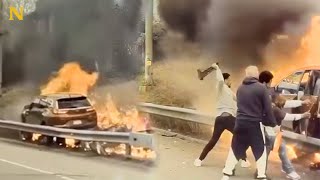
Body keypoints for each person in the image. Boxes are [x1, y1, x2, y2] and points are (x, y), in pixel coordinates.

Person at [221, 66, 277, 180]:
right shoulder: (261, 88)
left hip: (240, 123)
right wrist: (273, 124)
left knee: (235, 147)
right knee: (260, 149)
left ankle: (227, 171)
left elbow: (239, 105)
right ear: (256, 74)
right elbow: (268, 109)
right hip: (254, 124)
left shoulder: (240, 88)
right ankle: (261, 175)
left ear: (246, 75)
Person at [194, 63, 250, 168]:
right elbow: (220, 80)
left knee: (216, 140)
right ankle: (243, 160)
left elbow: (239, 101)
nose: (231, 81)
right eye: (229, 79)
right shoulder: (220, 87)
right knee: (240, 137)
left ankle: (199, 160)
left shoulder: (229, 91)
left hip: (224, 119)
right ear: (225, 80)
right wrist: (217, 68)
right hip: (225, 118)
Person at [269, 94, 310, 180]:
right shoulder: (275, 109)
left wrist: (302, 102)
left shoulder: (271, 105)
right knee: (280, 150)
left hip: (270, 132)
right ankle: (289, 170)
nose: (284, 104)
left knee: (267, 152)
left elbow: (288, 103)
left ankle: (260, 172)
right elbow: (288, 117)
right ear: (276, 101)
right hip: (270, 133)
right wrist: (302, 115)